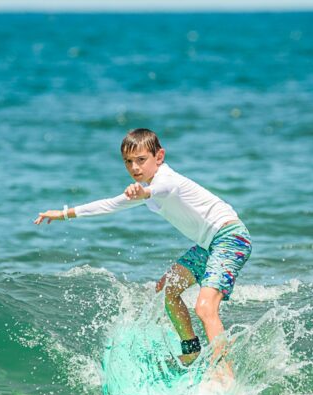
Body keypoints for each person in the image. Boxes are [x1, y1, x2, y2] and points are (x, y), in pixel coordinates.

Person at [34, 128, 252, 367]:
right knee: (167, 289)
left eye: (141, 160)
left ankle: (224, 373)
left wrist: (143, 192)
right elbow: (109, 205)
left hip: (230, 238)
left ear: (159, 157)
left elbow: (161, 190)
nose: (135, 168)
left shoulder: (166, 180)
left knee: (204, 307)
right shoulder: (147, 186)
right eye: (128, 162)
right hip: (207, 244)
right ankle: (191, 351)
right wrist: (64, 214)